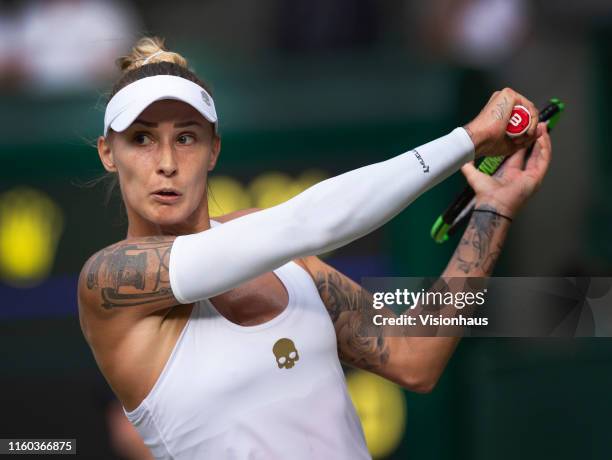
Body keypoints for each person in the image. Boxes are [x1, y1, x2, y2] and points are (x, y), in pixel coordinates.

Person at [78, 36, 551, 459]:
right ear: (107, 152)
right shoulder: (109, 281)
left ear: (213, 149)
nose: (165, 162)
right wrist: (467, 141)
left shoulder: (285, 255)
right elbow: (307, 221)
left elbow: (415, 358)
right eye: (141, 139)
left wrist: (493, 212)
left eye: (185, 137)